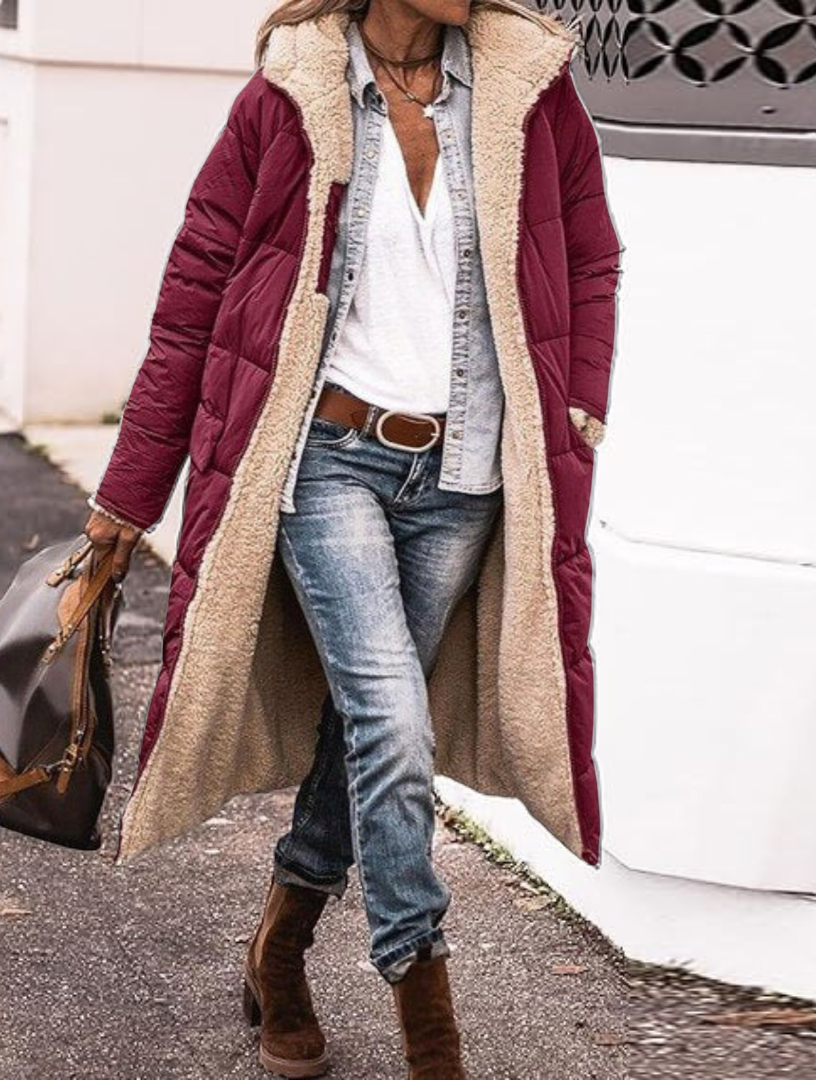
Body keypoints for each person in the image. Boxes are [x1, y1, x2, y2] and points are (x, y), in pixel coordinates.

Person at [85, 2, 623, 1077]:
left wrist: (577, 408)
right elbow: (193, 298)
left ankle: (280, 946)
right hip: (328, 461)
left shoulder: (530, 89)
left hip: (463, 473)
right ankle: (430, 1021)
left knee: (369, 728)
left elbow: (592, 258)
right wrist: (126, 498)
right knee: (391, 717)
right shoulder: (291, 96)